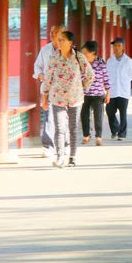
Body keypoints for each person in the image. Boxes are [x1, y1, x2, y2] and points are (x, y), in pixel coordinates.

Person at [41, 31, 95, 168]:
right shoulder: (53, 58)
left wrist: (83, 87)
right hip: (57, 98)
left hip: (75, 98)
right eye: (58, 40)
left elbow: (90, 74)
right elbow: (48, 79)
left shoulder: (79, 57)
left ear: (70, 43)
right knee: (59, 128)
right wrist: (44, 97)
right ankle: (59, 157)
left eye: (62, 40)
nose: (59, 42)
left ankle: (72, 156)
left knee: (73, 128)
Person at [33, 24, 67, 158]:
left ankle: (64, 145)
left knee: (64, 118)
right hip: (48, 90)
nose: (52, 34)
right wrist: (41, 76)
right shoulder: (45, 50)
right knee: (48, 118)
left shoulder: (68, 50)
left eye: (56, 32)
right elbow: (37, 66)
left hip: (64, 91)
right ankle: (47, 146)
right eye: (51, 32)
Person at [80, 41, 110, 146]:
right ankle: (86, 135)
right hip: (84, 94)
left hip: (98, 94)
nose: (83, 54)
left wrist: (108, 93)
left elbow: (106, 79)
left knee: (98, 116)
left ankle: (99, 137)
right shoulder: (81, 64)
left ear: (92, 52)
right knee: (84, 116)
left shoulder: (101, 63)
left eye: (85, 52)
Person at [106, 37, 132, 141]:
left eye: (119, 46)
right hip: (112, 91)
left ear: (123, 47)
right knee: (109, 111)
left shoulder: (128, 61)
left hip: (123, 91)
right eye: (115, 46)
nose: (116, 48)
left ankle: (122, 134)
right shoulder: (110, 61)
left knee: (123, 113)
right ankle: (115, 129)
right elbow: (107, 75)